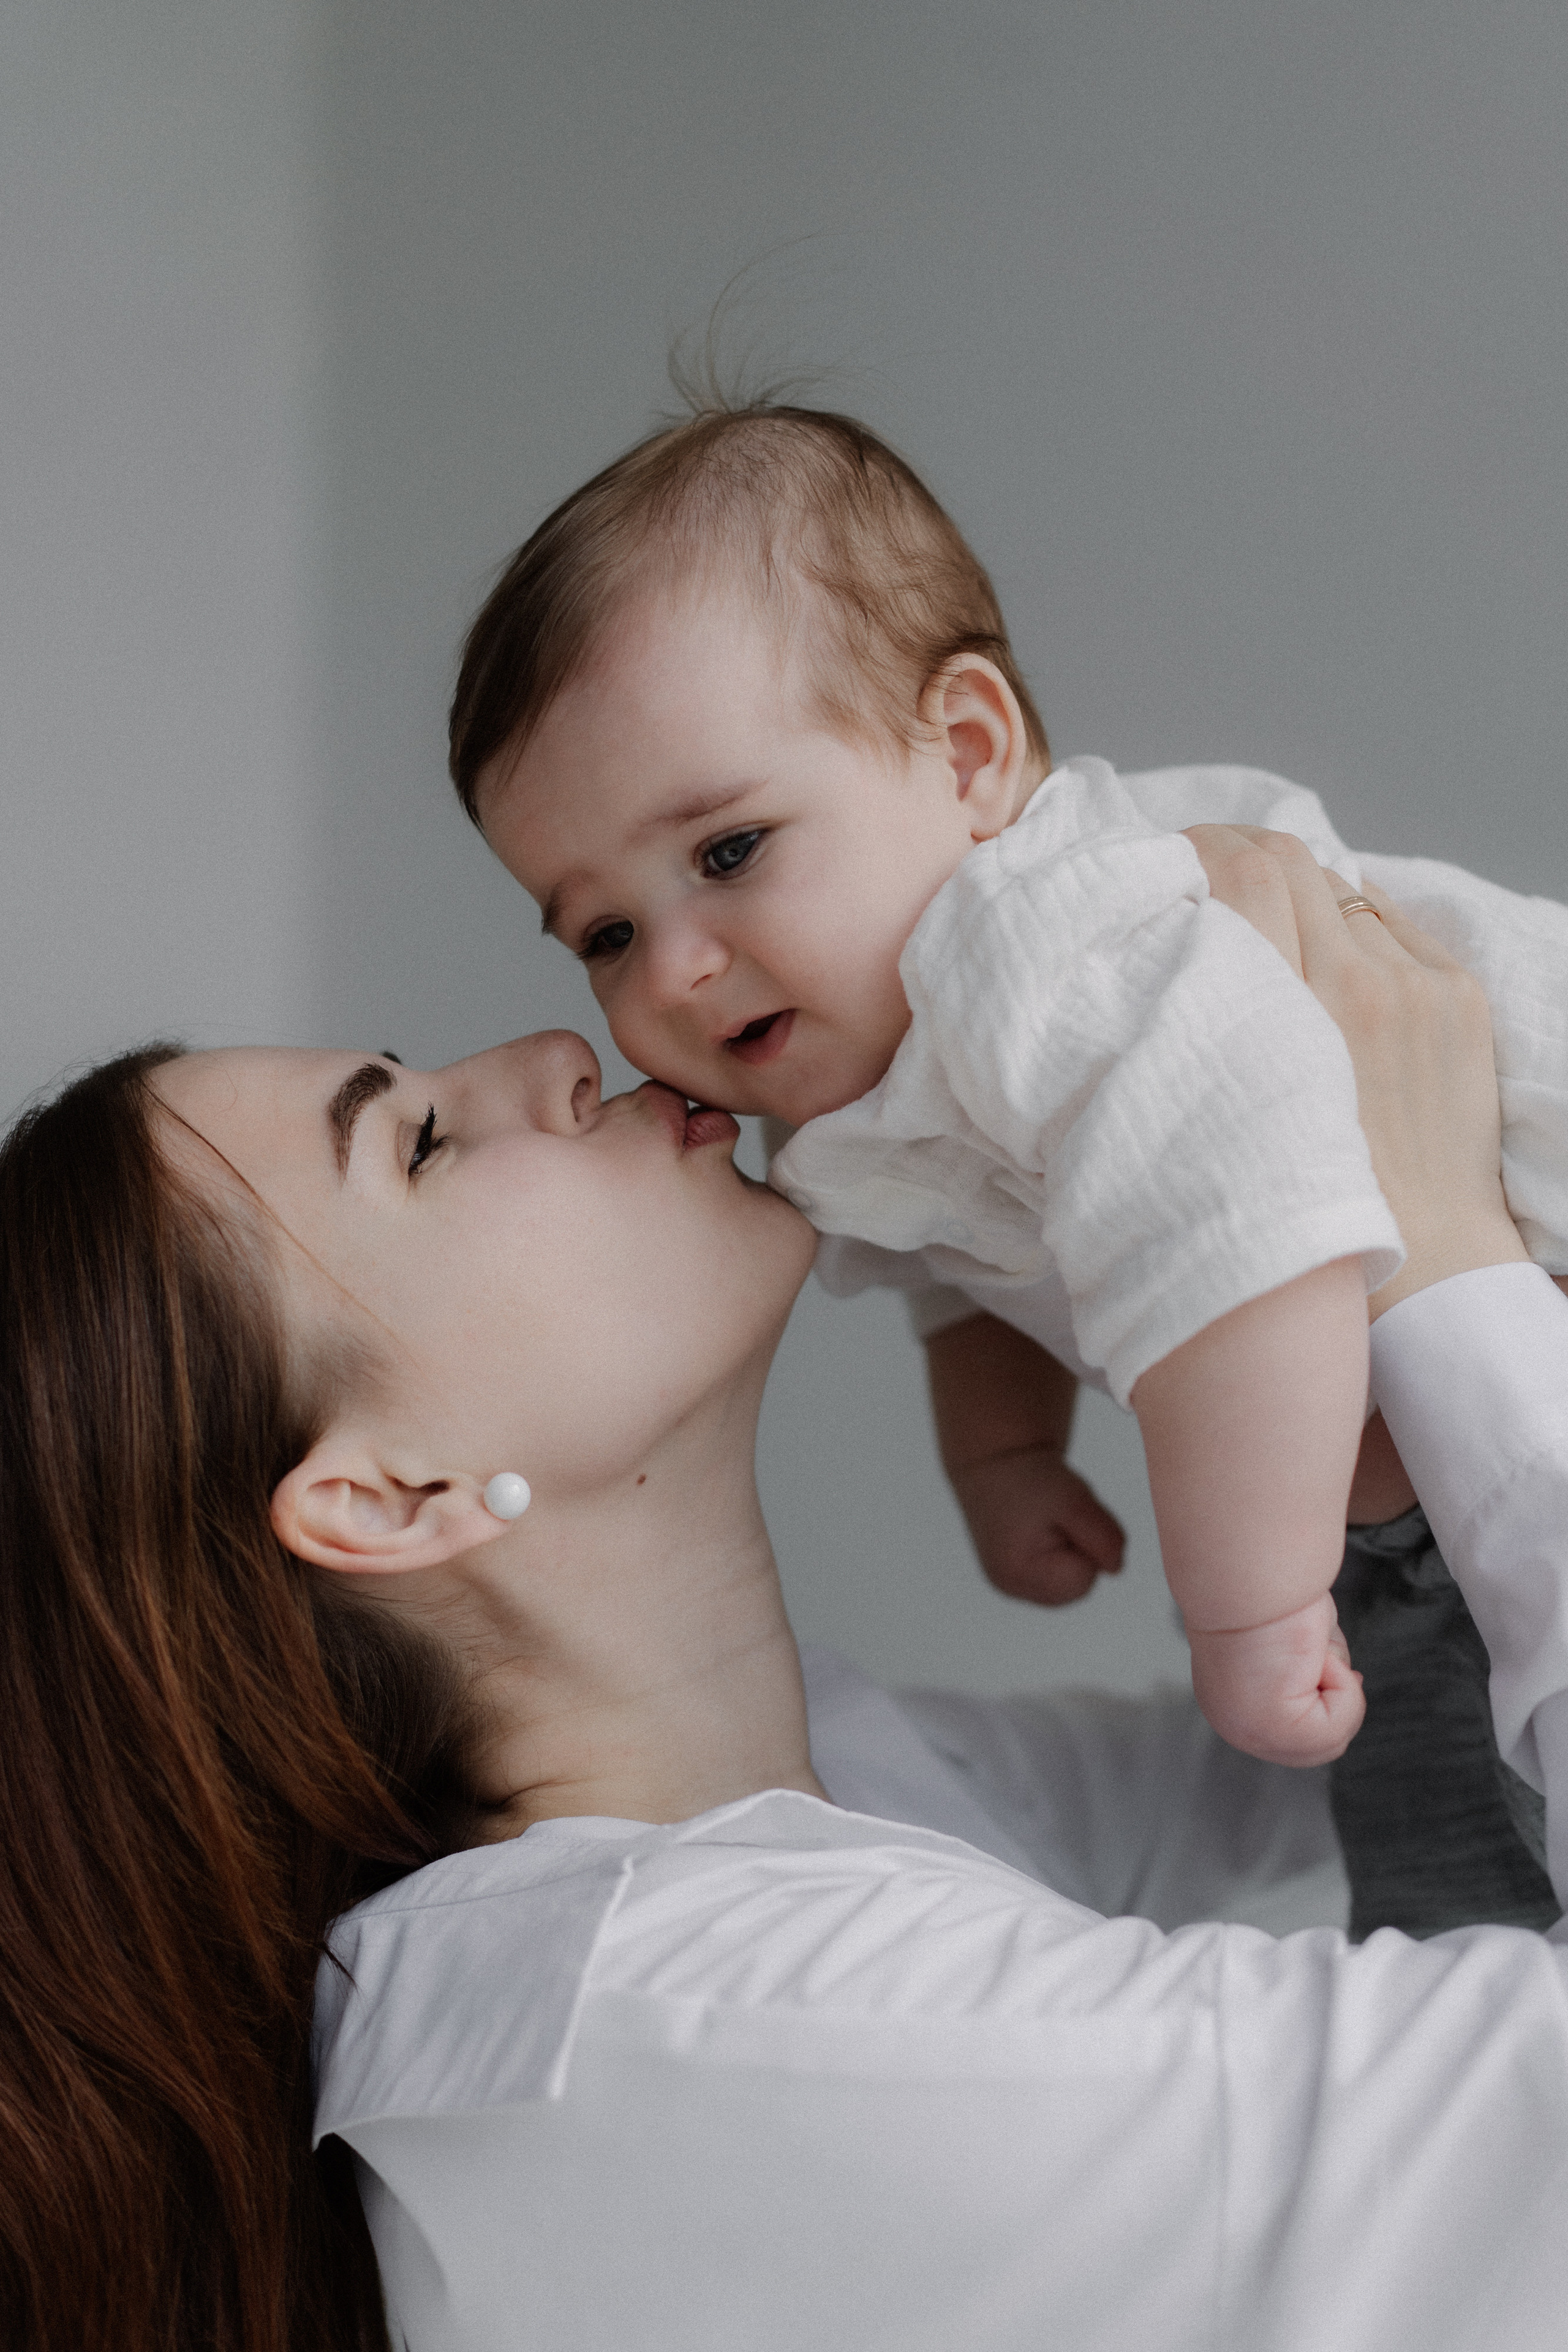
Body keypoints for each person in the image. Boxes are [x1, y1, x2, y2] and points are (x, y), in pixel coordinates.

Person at [4, 812, 1562, 2349]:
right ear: (389, 1497)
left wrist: (1304, 1372)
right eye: (417, 1140)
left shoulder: (794, 1793)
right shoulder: (722, 2034)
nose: (554, 1051)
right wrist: (1440, 1266)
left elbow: (1282, 1767)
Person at [446, 396, 1568, 1897]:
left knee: (1465, 1922)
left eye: (727, 854)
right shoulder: (889, 1067)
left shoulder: (1042, 945)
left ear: (968, 756)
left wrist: (1249, 1609)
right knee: (1463, 1940)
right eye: (603, 931)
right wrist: (1004, 1453)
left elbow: (1247, 1235)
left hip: (1498, 1336)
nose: (673, 972)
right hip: (1417, 1491)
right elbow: (965, 1263)